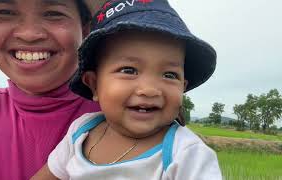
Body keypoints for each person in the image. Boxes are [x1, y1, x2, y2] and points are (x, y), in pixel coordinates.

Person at [31, 0, 222, 179]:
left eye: (169, 75)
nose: (149, 90)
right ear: (94, 84)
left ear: (183, 87)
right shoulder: (80, 133)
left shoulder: (185, 154)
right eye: (129, 70)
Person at [0, 0, 106, 179]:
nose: (29, 34)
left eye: (54, 13)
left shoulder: (136, 113)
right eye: (4, 12)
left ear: (85, 29)